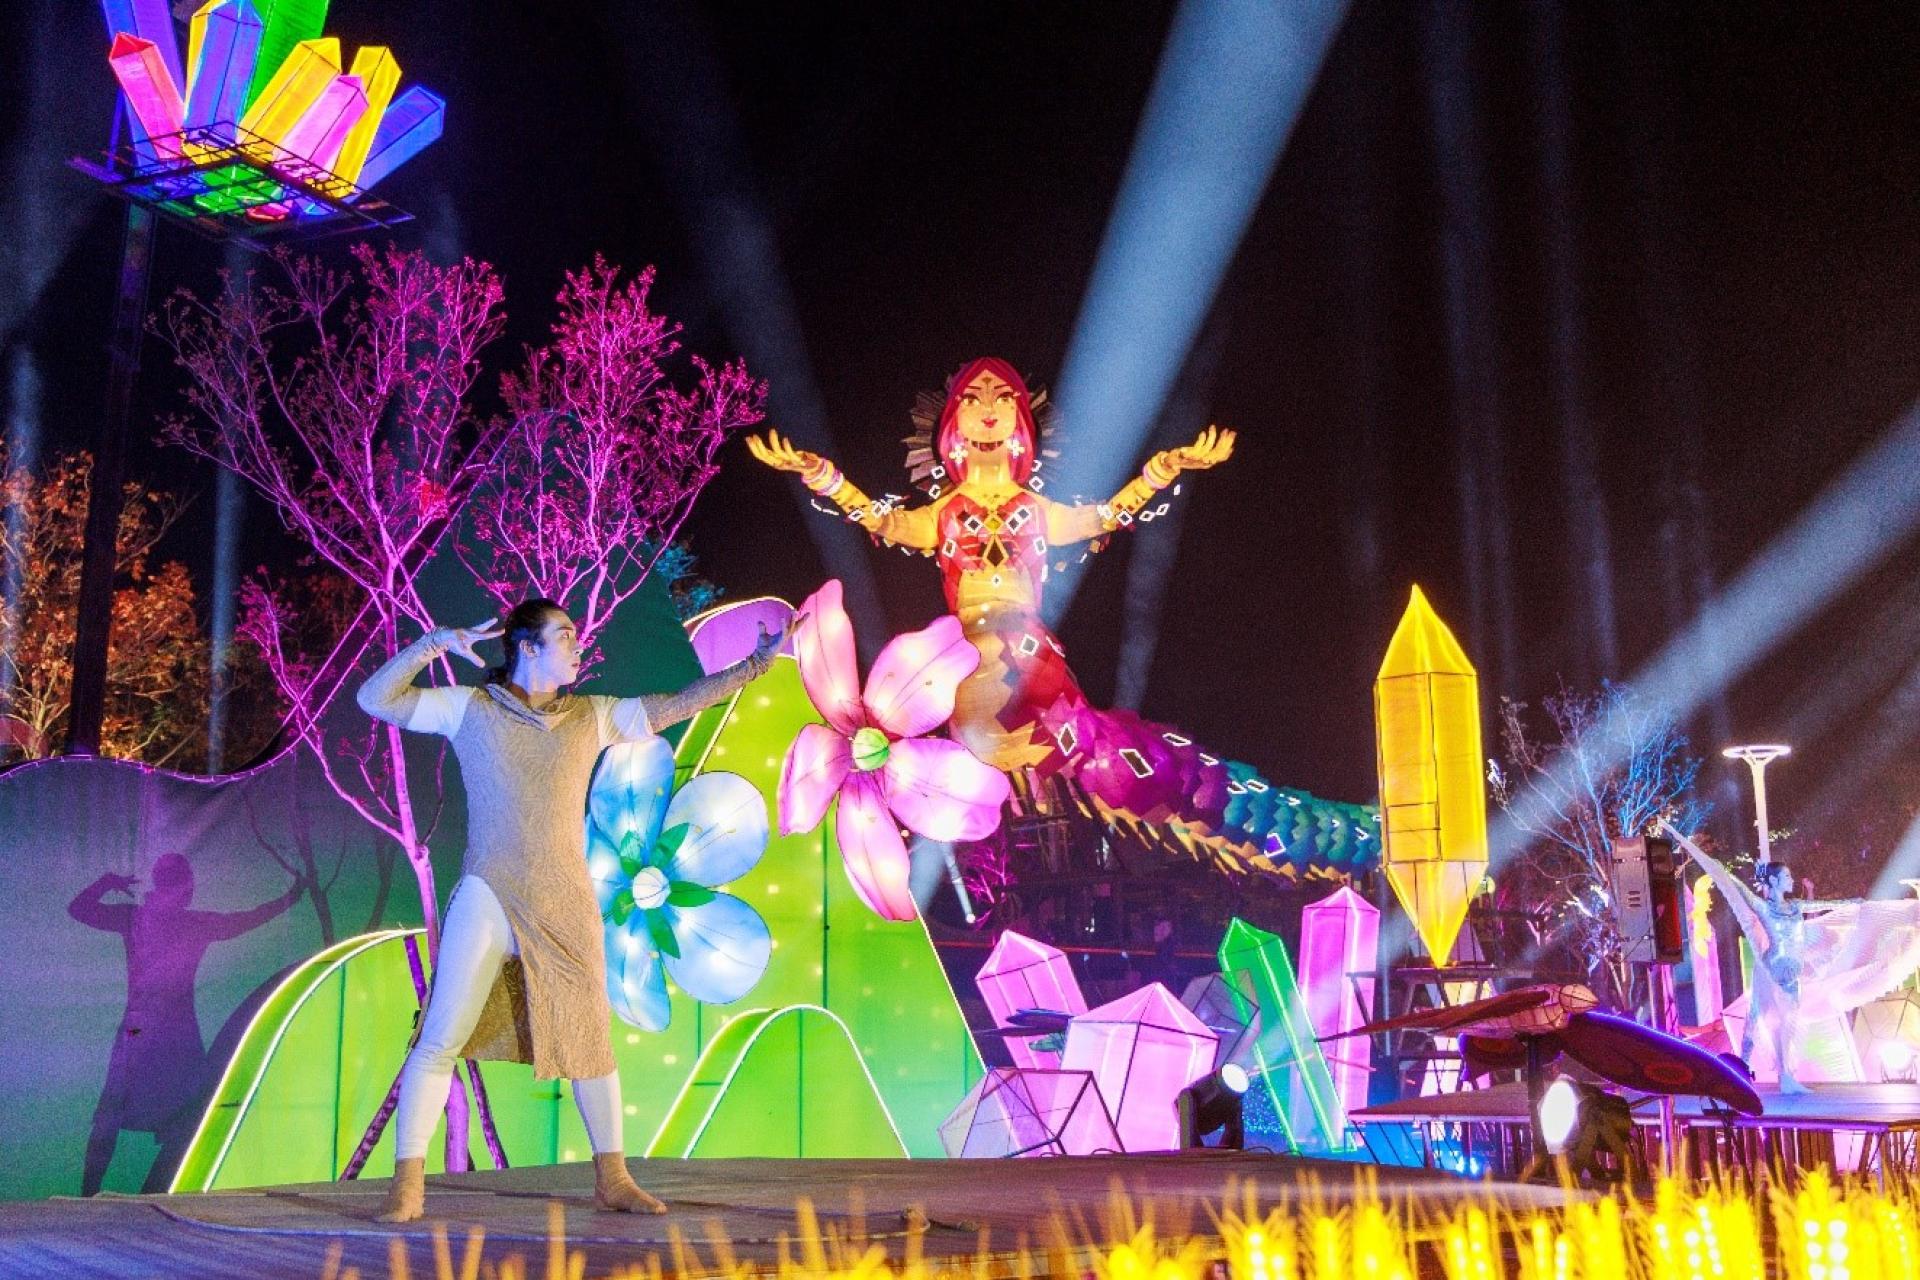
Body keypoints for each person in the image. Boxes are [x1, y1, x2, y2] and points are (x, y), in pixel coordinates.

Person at [357, 598, 783, 1222]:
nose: (577, 646)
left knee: (590, 1041)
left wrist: (752, 667)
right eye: (564, 636)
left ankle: (614, 1178)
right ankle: (407, 1186)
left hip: (566, 899)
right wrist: (436, 643)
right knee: (441, 1036)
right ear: (526, 647)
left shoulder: (591, 716)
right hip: (490, 891)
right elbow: (375, 699)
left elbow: (673, 705)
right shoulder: (470, 709)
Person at [748, 358, 1235, 830]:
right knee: (981, 756)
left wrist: (1164, 468)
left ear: (1019, 420)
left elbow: (1106, 516)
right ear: (952, 424)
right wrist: (823, 477)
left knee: (1056, 753)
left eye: (1002, 398)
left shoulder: (1040, 510)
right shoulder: (941, 514)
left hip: (1031, 651)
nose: (988, 408)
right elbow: (885, 521)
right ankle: (1006, 855)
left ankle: (1073, 838)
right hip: (968, 656)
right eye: (972, 398)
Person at [1663, 826, 1810, 1093]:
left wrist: (1858, 903)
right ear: (1774, 881)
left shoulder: (1796, 906)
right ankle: (1779, 1075)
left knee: (1773, 1021)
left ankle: (1754, 1068)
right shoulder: (1763, 907)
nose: (1792, 879)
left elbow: (1825, 905)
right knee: (1768, 1019)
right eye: (1787, 876)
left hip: (1792, 976)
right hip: (1771, 969)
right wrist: (1705, 858)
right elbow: (1734, 885)